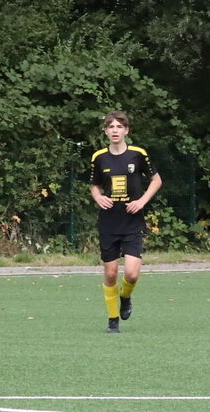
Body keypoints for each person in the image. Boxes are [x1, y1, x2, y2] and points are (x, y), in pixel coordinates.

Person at [88, 111, 162, 334]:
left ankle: (126, 297)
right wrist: (98, 197)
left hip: (132, 222)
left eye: (119, 127)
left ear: (126, 131)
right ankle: (113, 320)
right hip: (109, 223)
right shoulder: (99, 157)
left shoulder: (138, 154)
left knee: (131, 274)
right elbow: (94, 185)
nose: (115, 131)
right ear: (105, 131)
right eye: (111, 127)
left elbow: (156, 180)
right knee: (111, 273)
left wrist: (141, 201)